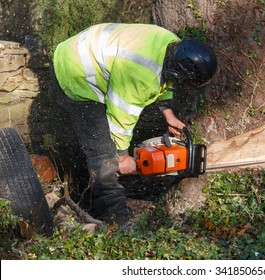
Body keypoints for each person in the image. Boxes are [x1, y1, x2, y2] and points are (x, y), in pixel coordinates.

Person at [52, 23, 217, 226]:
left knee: (97, 144)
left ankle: (85, 194)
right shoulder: (140, 73)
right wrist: (121, 156)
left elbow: (166, 79)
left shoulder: (172, 46)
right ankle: (115, 217)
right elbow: (119, 120)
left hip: (87, 52)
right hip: (74, 71)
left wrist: (167, 111)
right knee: (104, 153)